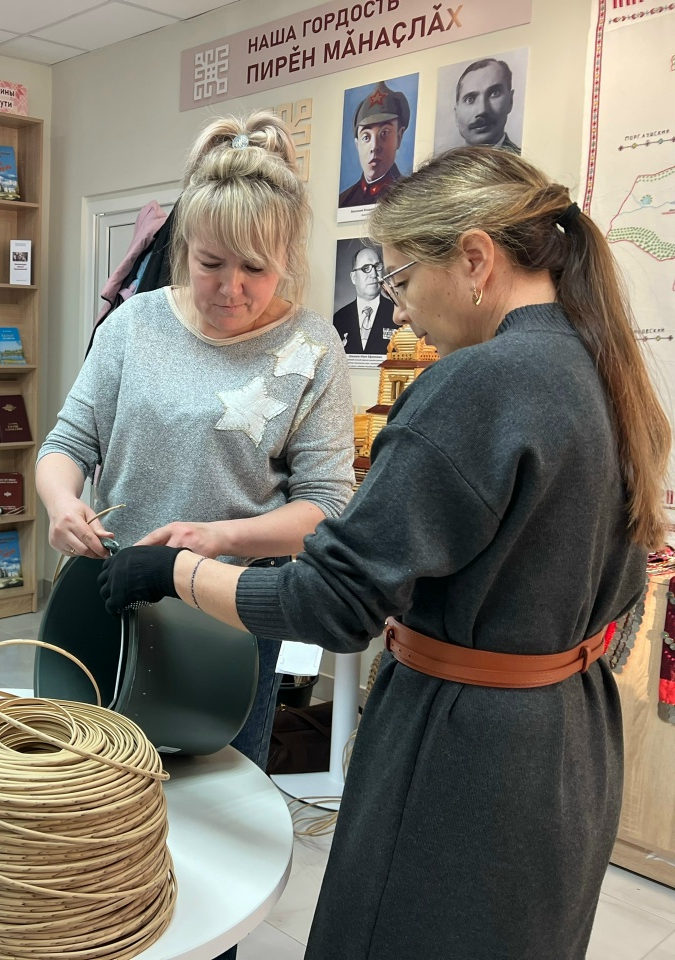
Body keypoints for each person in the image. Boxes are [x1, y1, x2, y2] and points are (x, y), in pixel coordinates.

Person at [98, 146, 671, 959]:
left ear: (474, 260)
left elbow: (334, 602)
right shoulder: (600, 367)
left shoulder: (478, 385)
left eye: (400, 280)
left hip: (465, 749)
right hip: (570, 741)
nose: (400, 314)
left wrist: (177, 570)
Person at [37, 112, 355, 778]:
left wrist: (217, 538)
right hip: (114, 592)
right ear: (184, 248)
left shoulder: (312, 348)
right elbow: (67, 443)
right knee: (100, 775)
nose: (231, 288)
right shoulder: (134, 324)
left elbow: (326, 507)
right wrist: (62, 502)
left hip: (230, 611)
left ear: (287, 259)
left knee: (221, 785)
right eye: (211, 263)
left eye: (255, 268)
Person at [338, 81, 411, 207]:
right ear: (357, 144)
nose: (374, 147)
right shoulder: (344, 200)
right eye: (366, 137)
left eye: (384, 133)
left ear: (399, 137)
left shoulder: (410, 195)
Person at [332, 245, 397, 354]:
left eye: (377, 266)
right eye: (365, 268)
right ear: (353, 278)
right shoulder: (339, 318)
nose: (373, 274)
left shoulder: (397, 315)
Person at [454, 57, 520, 154]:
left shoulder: (525, 162)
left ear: (510, 101)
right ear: (456, 115)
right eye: (470, 99)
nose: (482, 110)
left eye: (494, 94)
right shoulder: (443, 163)